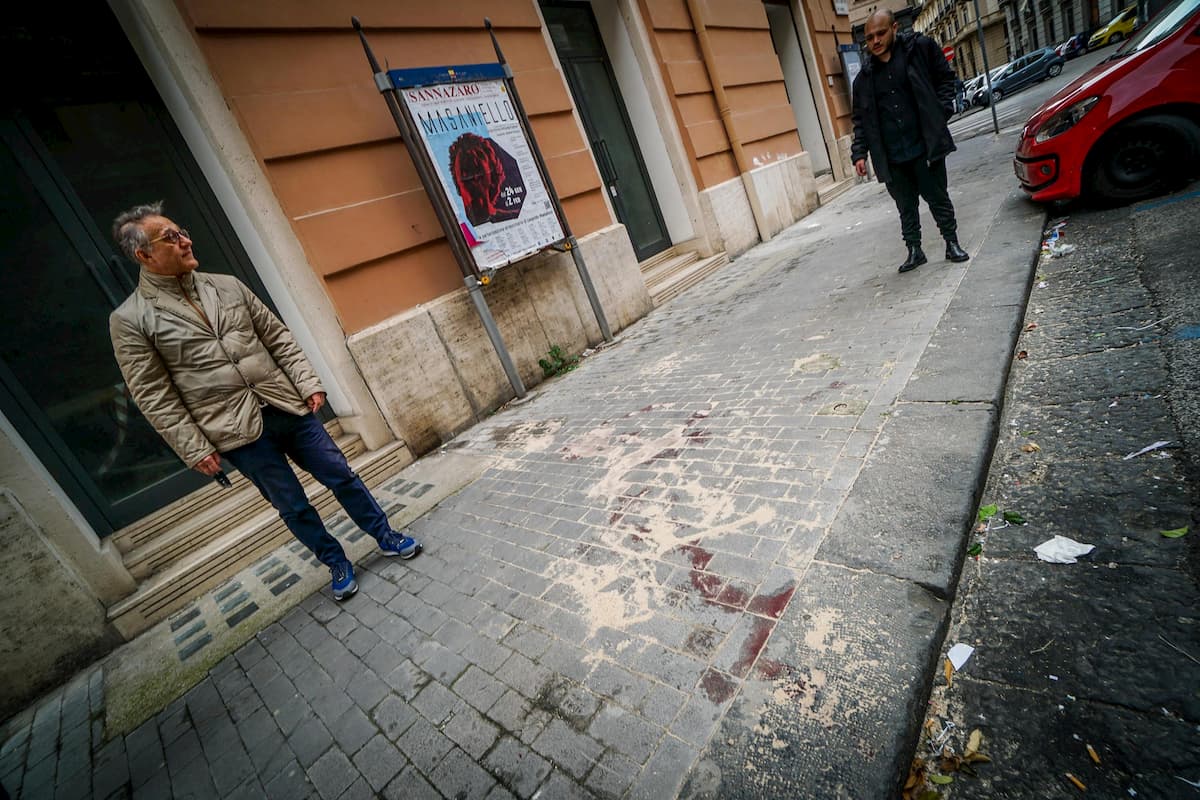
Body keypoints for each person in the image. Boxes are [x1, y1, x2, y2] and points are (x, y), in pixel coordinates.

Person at [108, 202, 420, 602]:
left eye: (181, 230)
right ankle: (336, 563)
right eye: (171, 237)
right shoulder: (130, 319)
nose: (185, 240)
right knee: (292, 505)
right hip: (235, 433)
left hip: (286, 406)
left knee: (340, 473)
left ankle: (384, 534)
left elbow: (277, 337)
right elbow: (152, 393)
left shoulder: (227, 285)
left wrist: (307, 382)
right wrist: (194, 447)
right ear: (144, 255)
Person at [851, 10, 970, 273]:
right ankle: (915, 251)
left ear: (894, 28)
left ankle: (952, 243)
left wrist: (940, 113)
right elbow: (860, 119)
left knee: (938, 197)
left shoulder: (920, 50)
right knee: (905, 206)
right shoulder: (864, 79)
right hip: (892, 156)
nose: (875, 41)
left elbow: (945, 79)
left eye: (881, 33)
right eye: (869, 37)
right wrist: (859, 153)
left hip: (924, 146)